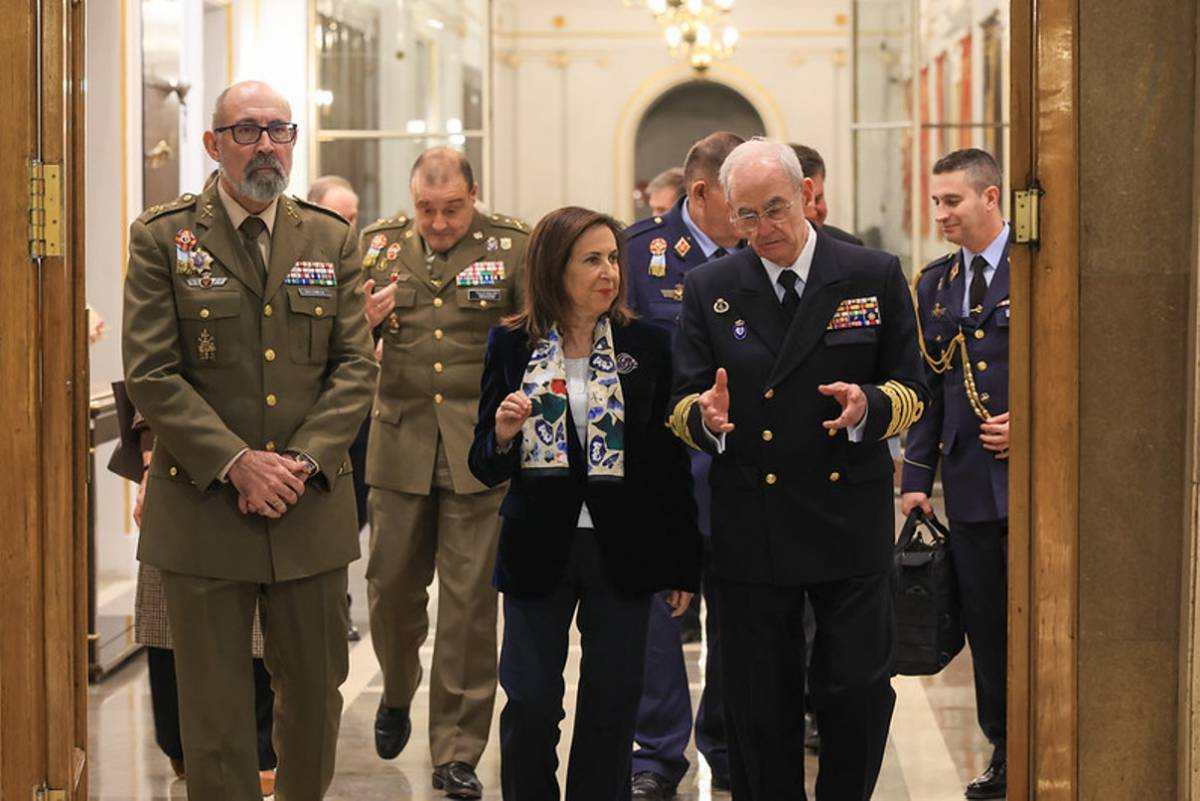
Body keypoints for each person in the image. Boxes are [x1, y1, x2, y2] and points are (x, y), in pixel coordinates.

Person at [122, 79, 376, 801]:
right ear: (212, 143)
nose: (266, 144)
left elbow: (356, 367)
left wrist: (296, 462)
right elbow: (150, 370)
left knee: (316, 705)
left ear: (294, 141)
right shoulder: (162, 237)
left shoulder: (330, 236)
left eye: (279, 130)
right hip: (204, 509)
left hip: (308, 507)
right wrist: (236, 462)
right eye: (246, 130)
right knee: (214, 714)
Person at [669, 138, 928, 800]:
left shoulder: (869, 272)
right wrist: (708, 417)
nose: (764, 230)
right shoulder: (711, 287)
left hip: (848, 517)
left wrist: (869, 404)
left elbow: (915, 386)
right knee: (760, 701)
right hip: (754, 519)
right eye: (747, 216)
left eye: (776, 209)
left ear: (807, 195)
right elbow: (680, 401)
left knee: (858, 689)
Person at [467, 205, 701, 801]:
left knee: (612, 701)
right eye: (591, 259)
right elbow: (482, 462)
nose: (610, 272)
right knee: (531, 699)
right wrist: (500, 434)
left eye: (613, 258)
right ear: (553, 268)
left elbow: (667, 465)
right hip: (538, 546)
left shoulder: (648, 344)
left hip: (622, 548)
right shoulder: (510, 345)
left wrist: (680, 563)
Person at [359, 147, 529, 798]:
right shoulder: (376, 246)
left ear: (474, 195)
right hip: (399, 441)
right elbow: (332, 341)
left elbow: (535, 337)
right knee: (391, 588)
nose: (437, 222)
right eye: (426, 209)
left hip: (478, 446)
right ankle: (398, 688)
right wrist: (361, 323)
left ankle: (456, 749)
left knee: (469, 605)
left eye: (452, 208)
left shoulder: (511, 245)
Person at [623, 130, 744, 799]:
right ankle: (658, 753)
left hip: (740, 472)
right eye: (740, 200)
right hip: (661, 474)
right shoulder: (639, 255)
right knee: (654, 620)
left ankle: (725, 741)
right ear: (701, 192)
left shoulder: (761, 253)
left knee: (739, 614)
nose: (753, 214)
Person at [901, 147, 1010, 800]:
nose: (939, 213)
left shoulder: (1033, 270)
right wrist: (917, 475)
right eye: (935, 201)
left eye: (952, 201)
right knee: (987, 628)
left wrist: (1033, 425)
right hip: (968, 488)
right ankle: (1004, 750)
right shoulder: (934, 284)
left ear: (990, 197)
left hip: (1034, 486)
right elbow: (931, 386)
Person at [309, 174, 367, 641]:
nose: (350, 228)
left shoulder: (362, 266)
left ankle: (338, 604)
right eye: (341, 218)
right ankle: (336, 605)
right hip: (314, 422)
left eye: (354, 218)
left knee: (354, 516)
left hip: (363, 417)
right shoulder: (304, 261)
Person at [790, 144, 863, 246]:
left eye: (818, 199)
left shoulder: (850, 247)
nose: (812, 213)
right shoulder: (763, 252)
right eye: (804, 202)